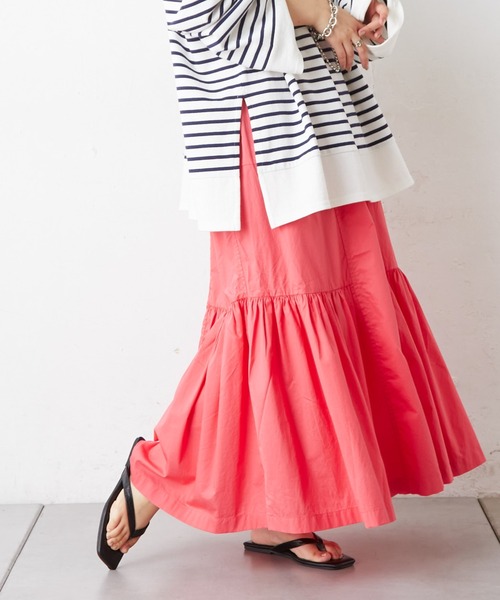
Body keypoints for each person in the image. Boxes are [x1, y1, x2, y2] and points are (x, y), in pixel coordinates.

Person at [97, 0, 486, 571]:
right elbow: (202, 12)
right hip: (260, 120)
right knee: (267, 314)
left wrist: (365, 9)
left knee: (343, 297)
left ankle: (279, 513)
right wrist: (322, 15)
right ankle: (157, 471)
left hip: (329, 118)